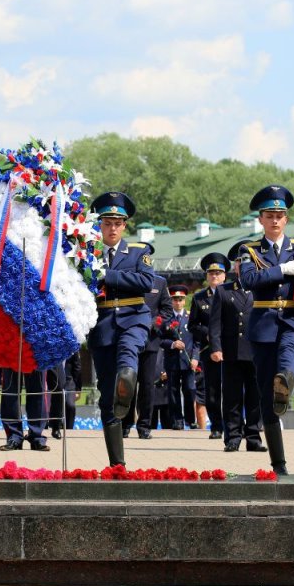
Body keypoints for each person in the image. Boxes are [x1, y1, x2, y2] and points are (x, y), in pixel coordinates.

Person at [238, 186, 294, 475]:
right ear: (261, 219)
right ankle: (279, 463)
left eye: (280, 215)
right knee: (266, 397)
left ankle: (285, 382)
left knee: (288, 363)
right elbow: (249, 280)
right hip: (263, 323)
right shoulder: (249, 249)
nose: (275, 221)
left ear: (286, 219)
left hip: (291, 319)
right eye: (270, 216)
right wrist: (283, 271)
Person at [87, 192, 155, 467]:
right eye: (107, 222)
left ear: (125, 225)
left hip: (133, 318)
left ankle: (127, 380)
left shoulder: (140, 250)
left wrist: (108, 275)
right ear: (100, 224)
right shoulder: (85, 253)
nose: (112, 228)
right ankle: (117, 463)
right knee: (107, 396)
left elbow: (145, 281)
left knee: (127, 362)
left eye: (117, 222)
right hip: (102, 325)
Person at [210, 246, 266, 453]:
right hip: (231, 350)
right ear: (235, 265)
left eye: (248, 261)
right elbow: (215, 323)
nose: (243, 265)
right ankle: (233, 437)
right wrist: (216, 347)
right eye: (240, 262)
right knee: (232, 397)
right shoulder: (224, 290)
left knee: (255, 397)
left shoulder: (262, 288)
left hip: (256, 351)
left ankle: (253, 437)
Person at [124, 269, 171, 439]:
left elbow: (166, 310)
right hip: (128, 338)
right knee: (127, 381)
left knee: (147, 385)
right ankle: (125, 424)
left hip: (150, 340)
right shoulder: (127, 278)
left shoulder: (159, 282)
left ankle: (144, 425)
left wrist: (152, 325)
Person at [187, 253, 229, 435]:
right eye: (211, 273)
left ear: (225, 275)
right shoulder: (199, 298)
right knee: (211, 390)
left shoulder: (231, 294)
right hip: (209, 349)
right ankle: (217, 427)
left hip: (230, 349)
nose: (215, 276)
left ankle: (232, 426)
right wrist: (209, 335)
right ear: (206, 276)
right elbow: (192, 325)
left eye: (218, 273)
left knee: (231, 389)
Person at [162, 284, 198, 434]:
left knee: (190, 390)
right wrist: (172, 344)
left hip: (188, 360)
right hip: (172, 360)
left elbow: (197, 340)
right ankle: (177, 420)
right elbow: (160, 340)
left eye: (180, 299)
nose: (177, 302)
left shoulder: (191, 317)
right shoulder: (166, 319)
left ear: (184, 301)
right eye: (175, 299)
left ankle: (190, 419)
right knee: (173, 391)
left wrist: (195, 358)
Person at [0, 367, 50, 451]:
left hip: (36, 354)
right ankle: (14, 436)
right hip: (12, 354)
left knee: (38, 390)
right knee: (10, 390)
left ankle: (36, 436)